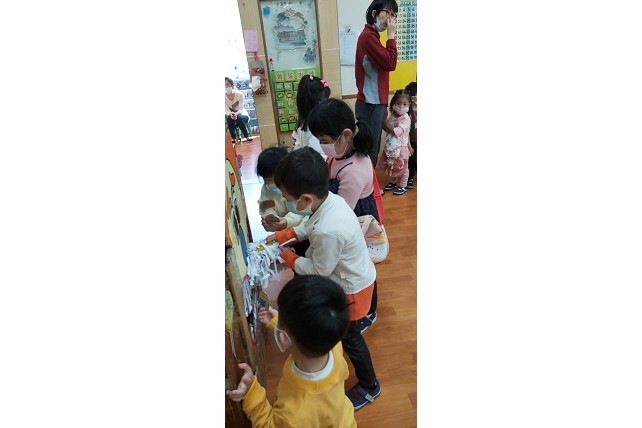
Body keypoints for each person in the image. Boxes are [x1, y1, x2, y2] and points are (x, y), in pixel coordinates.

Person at [266, 147, 381, 410]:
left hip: (352, 290)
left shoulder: (329, 230)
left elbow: (319, 270)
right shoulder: (330, 201)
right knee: (348, 334)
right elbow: (310, 225)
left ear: (306, 198)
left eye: (288, 199)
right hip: (356, 276)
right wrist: (285, 236)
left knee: (351, 339)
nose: (287, 203)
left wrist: (288, 258)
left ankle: (370, 385)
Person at [226, 275, 357, 427]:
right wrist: (278, 324)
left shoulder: (294, 415)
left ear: (284, 339)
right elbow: (301, 337)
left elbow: (268, 424)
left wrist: (252, 392)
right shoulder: (332, 343)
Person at [308, 99, 382, 332]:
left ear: (346, 135)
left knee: (361, 267)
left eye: (324, 141)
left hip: (356, 218)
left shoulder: (354, 170)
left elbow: (341, 212)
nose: (322, 146)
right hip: (345, 211)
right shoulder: (340, 154)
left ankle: (369, 312)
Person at [355, 0, 399, 165]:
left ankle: (368, 180)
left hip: (374, 102)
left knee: (370, 149)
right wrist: (391, 37)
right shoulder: (369, 37)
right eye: (388, 13)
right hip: (370, 103)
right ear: (374, 13)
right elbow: (391, 63)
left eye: (394, 15)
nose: (391, 19)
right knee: (369, 151)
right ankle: (367, 181)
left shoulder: (372, 36)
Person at [256, 146, 305, 233]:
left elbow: (301, 211)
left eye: (278, 179)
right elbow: (266, 208)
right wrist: (270, 220)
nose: (276, 183)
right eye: (269, 180)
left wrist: (287, 221)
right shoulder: (266, 190)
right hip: (283, 230)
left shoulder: (299, 185)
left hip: (303, 228)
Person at [380, 90, 414, 196]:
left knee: (404, 167)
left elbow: (397, 132)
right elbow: (387, 130)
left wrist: (385, 121)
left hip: (402, 148)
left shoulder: (406, 118)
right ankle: (393, 182)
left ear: (409, 105)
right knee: (393, 165)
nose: (401, 106)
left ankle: (403, 185)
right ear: (394, 103)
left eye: (404, 104)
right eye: (398, 103)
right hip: (392, 147)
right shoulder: (392, 116)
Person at [292, 75, 331, 159]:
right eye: (325, 101)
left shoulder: (302, 124)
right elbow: (319, 156)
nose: (327, 105)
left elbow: (297, 149)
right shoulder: (316, 128)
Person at [225, 77, 253, 144]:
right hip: (231, 116)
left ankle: (246, 136)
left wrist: (236, 114)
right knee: (229, 119)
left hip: (243, 115)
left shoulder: (239, 94)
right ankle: (233, 138)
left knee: (238, 118)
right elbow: (227, 110)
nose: (225, 86)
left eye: (227, 84)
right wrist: (231, 114)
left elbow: (241, 109)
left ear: (232, 85)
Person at [405, 81, 417, 189]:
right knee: (411, 160)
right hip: (411, 140)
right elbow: (406, 131)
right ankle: (410, 178)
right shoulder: (407, 113)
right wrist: (408, 145)